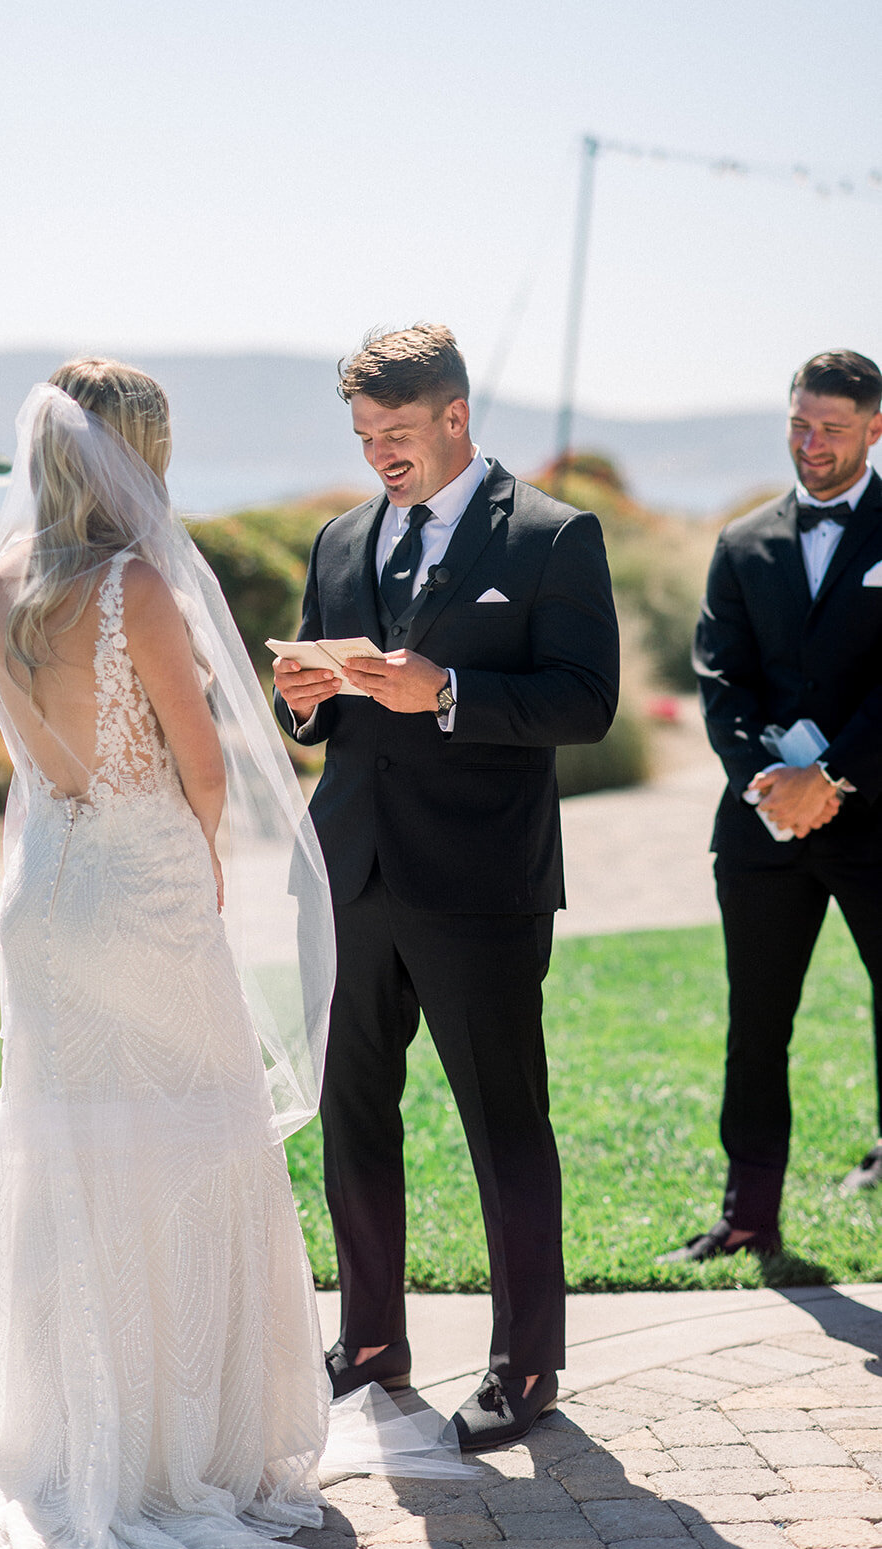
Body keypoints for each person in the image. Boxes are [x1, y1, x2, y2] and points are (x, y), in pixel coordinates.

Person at [0, 361, 347, 1549]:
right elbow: (203, 766)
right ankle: (170, 1450)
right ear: (132, 459)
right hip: (144, 885)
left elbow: (29, 749)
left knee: (75, 1148)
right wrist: (207, 853)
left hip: (44, 886)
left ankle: (74, 1431)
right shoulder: (139, 585)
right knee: (184, 1141)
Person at [273, 324, 619, 1450]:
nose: (382, 454)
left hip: (480, 884)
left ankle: (526, 1367)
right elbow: (332, 696)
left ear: (457, 416)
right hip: (351, 869)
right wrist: (307, 698)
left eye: (401, 433)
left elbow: (584, 700)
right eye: (367, 435)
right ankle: (371, 1336)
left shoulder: (556, 537)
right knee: (352, 1114)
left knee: (504, 1126)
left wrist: (454, 691)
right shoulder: (338, 537)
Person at [664, 349, 882, 1265]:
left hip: (876, 819)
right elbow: (720, 679)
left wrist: (830, 779)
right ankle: (748, 1213)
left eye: (832, 427)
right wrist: (774, 786)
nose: (812, 443)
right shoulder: (743, 541)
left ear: (875, 428)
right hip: (760, 826)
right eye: (800, 423)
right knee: (756, 1023)